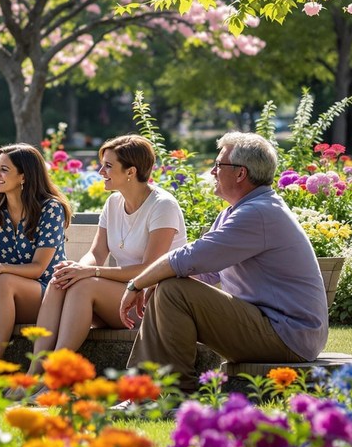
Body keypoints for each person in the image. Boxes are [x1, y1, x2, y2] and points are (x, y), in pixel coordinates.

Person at [119, 132, 329, 393]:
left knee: (173, 290)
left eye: (218, 165)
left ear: (240, 173)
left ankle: (170, 395)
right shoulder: (239, 210)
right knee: (168, 286)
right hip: (274, 328)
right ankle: (144, 392)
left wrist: (136, 284)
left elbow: (189, 257)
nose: (212, 172)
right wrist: (154, 282)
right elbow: (206, 273)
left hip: (287, 335)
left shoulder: (258, 213)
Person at [29, 135, 186, 375]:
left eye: (108, 166)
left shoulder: (163, 205)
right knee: (60, 281)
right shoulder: (113, 203)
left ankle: (54, 374)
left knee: (84, 286)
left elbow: (150, 269)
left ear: (131, 171)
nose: (101, 171)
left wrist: (90, 272)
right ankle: (32, 373)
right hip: (120, 296)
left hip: (151, 303)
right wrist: (76, 270)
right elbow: (96, 252)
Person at [0, 144, 71, 375]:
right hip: (4, 292)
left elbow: (38, 268)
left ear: (24, 176)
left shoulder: (50, 208)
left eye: (4, 169)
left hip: (45, 293)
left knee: (2, 281)